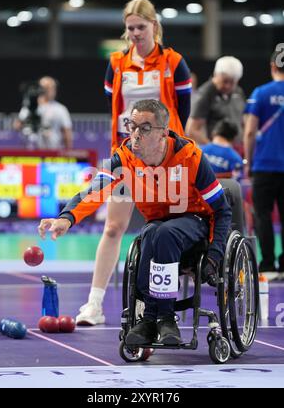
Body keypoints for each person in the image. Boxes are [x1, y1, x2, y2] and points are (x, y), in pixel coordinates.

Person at [38, 99, 232, 344]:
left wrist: (215, 254)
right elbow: (95, 189)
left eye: (145, 128)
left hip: (195, 221)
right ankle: (151, 320)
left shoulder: (190, 156)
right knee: (150, 235)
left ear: (162, 133)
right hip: (158, 226)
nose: (135, 134)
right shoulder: (125, 156)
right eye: (132, 125)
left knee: (162, 233)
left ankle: (163, 318)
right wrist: (66, 218)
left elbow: (222, 211)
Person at [76, 0, 192, 325]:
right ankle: (94, 306)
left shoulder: (174, 63)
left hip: (167, 159)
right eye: (130, 28)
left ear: (154, 26)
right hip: (126, 158)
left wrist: (163, 145)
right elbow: (113, 108)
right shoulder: (115, 63)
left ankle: (169, 304)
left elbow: (182, 112)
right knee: (113, 227)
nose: (136, 33)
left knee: (173, 229)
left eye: (141, 27)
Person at [244, 48, 284, 274]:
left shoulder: (260, 93)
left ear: (272, 66)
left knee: (263, 215)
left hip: (265, 166)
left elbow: (250, 132)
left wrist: (249, 161)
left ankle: (268, 265)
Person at [186, 56, 245, 146]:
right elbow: (192, 130)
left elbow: (244, 121)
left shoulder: (238, 92)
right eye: (225, 81)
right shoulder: (205, 94)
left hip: (236, 151)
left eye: (232, 82)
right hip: (214, 154)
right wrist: (214, 150)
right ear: (215, 74)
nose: (228, 86)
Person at [15, 76, 73, 149]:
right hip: (32, 152)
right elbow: (18, 125)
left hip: (52, 152)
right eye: (46, 87)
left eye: (52, 88)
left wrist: (69, 152)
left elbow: (67, 132)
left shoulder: (60, 109)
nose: (50, 90)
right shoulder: (30, 107)